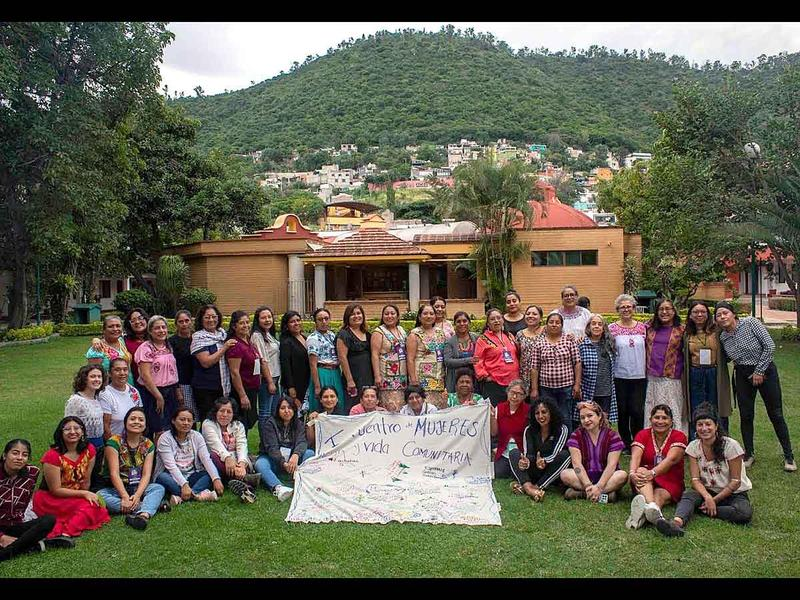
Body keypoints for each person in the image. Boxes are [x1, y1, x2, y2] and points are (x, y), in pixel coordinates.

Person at [715, 301, 795, 471]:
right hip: (742, 374)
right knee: (746, 415)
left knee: (776, 414)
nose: (722, 317)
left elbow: (769, 346)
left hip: (765, 371)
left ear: (733, 314)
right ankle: (749, 454)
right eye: (718, 315)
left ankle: (789, 456)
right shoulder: (723, 337)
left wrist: (759, 371)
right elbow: (727, 358)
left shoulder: (751, 323)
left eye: (725, 313)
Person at [656, 403, 753, 537]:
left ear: (716, 426)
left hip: (733, 494)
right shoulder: (693, 447)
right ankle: (676, 523)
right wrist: (708, 497)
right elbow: (695, 480)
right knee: (688, 495)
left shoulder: (731, 446)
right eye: (700, 425)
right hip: (707, 491)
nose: (704, 428)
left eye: (708, 424)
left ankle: (702, 510)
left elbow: (735, 482)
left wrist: (714, 501)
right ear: (695, 428)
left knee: (744, 513)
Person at [32, 417, 111, 539]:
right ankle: (66, 532)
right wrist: (84, 494)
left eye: (77, 428)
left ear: (83, 431)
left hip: (75, 495)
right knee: (90, 508)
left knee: (95, 505)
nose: (73, 432)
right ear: (60, 433)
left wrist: (86, 495)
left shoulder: (89, 450)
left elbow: (86, 480)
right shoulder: (52, 456)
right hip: (52, 498)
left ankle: (67, 529)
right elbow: (55, 490)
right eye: (67, 429)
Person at [1, 439, 73, 561]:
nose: (19, 458)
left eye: (24, 455)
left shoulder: (31, 473)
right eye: (15, 453)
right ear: (4, 455)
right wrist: (1, 537)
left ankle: (17, 547)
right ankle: (33, 546)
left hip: (13, 526)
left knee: (49, 520)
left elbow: (23, 504)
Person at [97, 407, 166, 530]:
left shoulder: (148, 444)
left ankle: (143, 515)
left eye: (141, 420)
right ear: (125, 422)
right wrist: (124, 496)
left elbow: (146, 474)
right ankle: (148, 506)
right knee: (100, 496)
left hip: (138, 487)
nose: (136, 422)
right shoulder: (114, 442)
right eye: (132, 419)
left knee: (158, 488)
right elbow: (114, 473)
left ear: (145, 425)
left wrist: (138, 495)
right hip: (117, 489)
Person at [626, 404, 687, 530]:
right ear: (650, 419)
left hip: (670, 479)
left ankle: (642, 516)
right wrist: (632, 473)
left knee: (659, 495)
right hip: (644, 479)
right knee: (641, 470)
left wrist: (653, 473)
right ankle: (653, 509)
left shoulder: (679, 436)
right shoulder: (643, 434)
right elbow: (635, 457)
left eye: (664, 418)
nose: (660, 421)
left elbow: (671, 459)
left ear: (671, 421)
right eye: (656, 417)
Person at [154, 408, 224, 505]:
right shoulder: (165, 438)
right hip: (171, 476)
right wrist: (184, 484)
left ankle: (182, 497)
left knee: (210, 474)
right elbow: (170, 466)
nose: (186, 423)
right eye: (182, 420)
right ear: (173, 421)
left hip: (191, 475)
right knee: (162, 477)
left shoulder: (196, 436)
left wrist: (216, 479)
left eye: (189, 420)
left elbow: (206, 459)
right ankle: (198, 495)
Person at [560, 401, 627, 502]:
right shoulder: (576, 436)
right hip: (583, 477)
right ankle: (605, 495)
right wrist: (587, 484)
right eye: (582, 418)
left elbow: (612, 465)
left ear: (599, 416)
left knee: (622, 475)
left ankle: (580, 494)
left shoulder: (612, 436)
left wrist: (599, 486)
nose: (586, 420)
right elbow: (576, 464)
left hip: (607, 476)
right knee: (565, 474)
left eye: (590, 416)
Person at [508, 399, 571, 502]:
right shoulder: (529, 429)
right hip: (534, 469)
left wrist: (544, 461)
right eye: (537, 413)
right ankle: (529, 488)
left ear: (551, 412)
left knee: (566, 455)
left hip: (550, 470)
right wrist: (525, 463)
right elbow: (528, 454)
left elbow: (556, 453)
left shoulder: (562, 429)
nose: (540, 416)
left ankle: (537, 487)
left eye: (544, 412)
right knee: (514, 453)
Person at [684, 300, 731, 438]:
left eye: (703, 311)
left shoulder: (717, 330)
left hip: (714, 372)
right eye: (695, 312)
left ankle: (721, 437)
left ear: (708, 314)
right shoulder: (686, 333)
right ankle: (696, 439)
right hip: (695, 372)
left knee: (716, 405)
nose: (699, 314)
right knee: (696, 405)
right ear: (690, 315)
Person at [255, 397, 314, 502]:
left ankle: (302, 481)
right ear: (278, 410)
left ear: (294, 410)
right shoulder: (270, 424)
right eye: (283, 408)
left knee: (310, 453)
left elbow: (302, 442)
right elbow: (272, 448)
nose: (287, 411)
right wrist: (283, 463)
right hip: (274, 460)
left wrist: (296, 455)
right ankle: (279, 487)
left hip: (292, 461)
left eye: (290, 408)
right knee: (260, 464)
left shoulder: (298, 424)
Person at [201, 397, 259, 502]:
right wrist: (228, 458)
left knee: (244, 458)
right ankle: (247, 483)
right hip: (219, 462)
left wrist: (241, 463)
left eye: (229, 412)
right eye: (222, 411)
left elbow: (242, 445)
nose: (225, 415)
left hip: (237, 463)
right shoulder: (208, 424)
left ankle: (241, 483)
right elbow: (215, 445)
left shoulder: (238, 425)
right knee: (214, 455)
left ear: (233, 414)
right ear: (215, 412)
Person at [529, 312, 581, 430]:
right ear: (546, 325)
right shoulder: (539, 343)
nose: (554, 325)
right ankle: (552, 443)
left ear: (562, 325)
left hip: (566, 387)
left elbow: (577, 363)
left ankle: (567, 445)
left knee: (565, 416)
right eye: (551, 322)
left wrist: (577, 384)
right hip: (546, 388)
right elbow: (534, 367)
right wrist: (535, 389)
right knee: (548, 416)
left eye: (557, 322)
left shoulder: (568, 340)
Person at [609, 293, 647, 451]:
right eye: (622, 307)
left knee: (637, 410)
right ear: (618, 309)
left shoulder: (643, 327)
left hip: (639, 375)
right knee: (622, 410)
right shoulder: (612, 329)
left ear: (634, 308)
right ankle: (625, 442)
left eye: (629, 306)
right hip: (620, 375)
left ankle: (637, 441)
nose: (626, 309)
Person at [135, 315, 182, 440]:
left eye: (163, 327)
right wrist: (158, 396)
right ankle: (154, 457)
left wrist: (177, 392)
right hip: (152, 392)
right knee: (158, 428)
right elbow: (145, 375)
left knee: (171, 427)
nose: (161, 331)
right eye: (157, 328)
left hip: (170, 391)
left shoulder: (168, 346)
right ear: (150, 331)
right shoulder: (145, 348)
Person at [645, 298, 688, 434]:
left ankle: (676, 439)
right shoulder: (648, 328)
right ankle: (652, 439)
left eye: (668, 309)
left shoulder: (682, 330)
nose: (664, 312)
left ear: (674, 311)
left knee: (673, 408)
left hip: (672, 378)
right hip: (653, 377)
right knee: (653, 407)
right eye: (661, 309)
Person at [191, 304, 236, 421]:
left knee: (222, 420)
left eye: (213, 316)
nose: (211, 320)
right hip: (206, 388)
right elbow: (206, 362)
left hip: (223, 386)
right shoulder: (198, 337)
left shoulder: (223, 334)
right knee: (208, 420)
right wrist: (224, 348)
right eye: (207, 317)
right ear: (201, 319)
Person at [474, 308, 521, 406]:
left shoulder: (509, 336)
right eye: (492, 319)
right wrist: (485, 376)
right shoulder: (483, 339)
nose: (496, 321)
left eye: (499, 318)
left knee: (512, 412)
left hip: (513, 382)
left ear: (503, 320)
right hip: (494, 383)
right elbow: (477, 360)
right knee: (496, 414)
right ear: (488, 323)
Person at [577, 314, 618, 424]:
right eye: (593, 324)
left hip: (606, 392)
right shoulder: (581, 345)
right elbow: (577, 368)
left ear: (604, 328)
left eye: (600, 324)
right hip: (588, 391)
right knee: (589, 422)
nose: (596, 326)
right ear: (588, 327)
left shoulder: (609, 345)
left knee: (603, 422)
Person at [406, 303, 448, 409]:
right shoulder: (414, 334)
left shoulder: (440, 333)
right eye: (425, 313)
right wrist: (414, 381)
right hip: (421, 380)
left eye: (431, 314)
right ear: (419, 317)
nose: (428, 316)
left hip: (439, 379)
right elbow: (410, 359)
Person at [225, 310, 261, 432]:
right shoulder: (235, 346)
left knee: (249, 420)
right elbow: (234, 372)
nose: (245, 325)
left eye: (247, 322)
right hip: (242, 389)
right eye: (241, 323)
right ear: (234, 326)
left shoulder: (248, 341)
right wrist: (242, 395)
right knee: (241, 423)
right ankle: (240, 449)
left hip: (252, 388)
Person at [337, 303, 374, 413]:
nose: (356, 316)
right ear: (347, 318)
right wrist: (349, 380)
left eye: (359, 313)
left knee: (368, 403)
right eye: (352, 314)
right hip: (353, 377)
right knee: (353, 405)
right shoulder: (344, 334)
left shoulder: (367, 334)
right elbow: (342, 357)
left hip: (367, 375)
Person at [307, 308, 346, 414]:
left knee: (338, 402)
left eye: (326, 319)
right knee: (323, 403)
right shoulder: (313, 338)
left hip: (335, 372)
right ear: (315, 322)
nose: (324, 322)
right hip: (322, 372)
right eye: (320, 319)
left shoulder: (332, 335)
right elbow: (312, 364)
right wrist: (317, 386)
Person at [371, 304, 408, 412]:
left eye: (392, 313)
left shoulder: (401, 330)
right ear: (382, 316)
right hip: (386, 375)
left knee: (402, 406)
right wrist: (377, 376)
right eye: (386, 314)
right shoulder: (379, 332)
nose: (389, 316)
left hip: (402, 375)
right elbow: (374, 354)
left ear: (397, 316)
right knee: (390, 407)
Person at [490, 380, 530, 479]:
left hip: (520, 451)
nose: (514, 397)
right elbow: (494, 432)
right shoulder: (499, 408)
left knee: (516, 472)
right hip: (503, 451)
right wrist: (491, 417)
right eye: (512, 392)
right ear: (507, 392)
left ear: (525, 396)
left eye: (519, 394)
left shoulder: (529, 410)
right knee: (499, 473)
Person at [64, 364, 107, 455]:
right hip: (83, 447)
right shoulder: (76, 401)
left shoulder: (96, 399)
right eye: (92, 376)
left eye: (99, 377)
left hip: (99, 446)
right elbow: (68, 426)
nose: (97, 379)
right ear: (84, 379)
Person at [251, 306, 281, 430]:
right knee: (265, 414)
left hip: (275, 378)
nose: (267, 320)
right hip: (267, 379)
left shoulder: (268, 334)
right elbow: (262, 360)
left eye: (269, 317)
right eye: (263, 318)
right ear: (257, 320)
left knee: (274, 413)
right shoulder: (257, 336)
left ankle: (272, 442)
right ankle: (264, 446)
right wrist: (269, 382)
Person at [99, 358, 142, 439]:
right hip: (114, 442)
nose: (122, 373)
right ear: (110, 373)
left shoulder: (134, 391)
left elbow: (140, 418)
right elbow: (106, 426)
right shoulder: (105, 394)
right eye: (117, 370)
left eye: (125, 370)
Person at [86, 315, 133, 386]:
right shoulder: (97, 348)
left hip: (128, 386)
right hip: (108, 390)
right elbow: (93, 375)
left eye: (118, 326)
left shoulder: (122, 341)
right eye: (111, 326)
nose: (115, 329)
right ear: (104, 330)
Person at [279, 310, 310, 414]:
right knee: (294, 413)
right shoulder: (286, 342)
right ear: (287, 325)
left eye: (298, 320)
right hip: (294, 385)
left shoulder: (305, 338)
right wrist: (291, 387)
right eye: (292, 321)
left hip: (306, 382)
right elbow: (285, 365)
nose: (296, 323)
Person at [169, 309, 198, 421]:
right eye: (181, 321)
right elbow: (172, 367)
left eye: (187, 320)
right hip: (183, 384)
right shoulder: (172, 342)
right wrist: (177, 389)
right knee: (187, 416)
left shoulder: (197, 338)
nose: (184, 324)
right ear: (176, 324)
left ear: (191, 321)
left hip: (199, 383)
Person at [443, 311, 479, 394]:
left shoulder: (477, 338)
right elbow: (448, 361)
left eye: (464, 321)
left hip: (474, 379)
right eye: (458, 321)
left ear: (469, 322)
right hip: (455, 380)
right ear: (455, 324)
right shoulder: (450, 342)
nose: (462, 324)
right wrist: (468, 360)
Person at [516, 304, 544, 396]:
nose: (530, 316)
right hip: (525, 375)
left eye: (534, 314)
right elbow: (518, 354)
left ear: (540, 318)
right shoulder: (520, 334)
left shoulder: (547, 331)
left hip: (544, 374)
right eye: (528, 314)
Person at [122, 307, 150, 382]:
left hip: (159, 383)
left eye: (140, 318)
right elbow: (108, 341)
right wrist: (96, 340)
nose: (137, 322)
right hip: (137, 384)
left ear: (146, 319)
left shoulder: (155, 338)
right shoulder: (124, 340)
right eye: (133, 320)